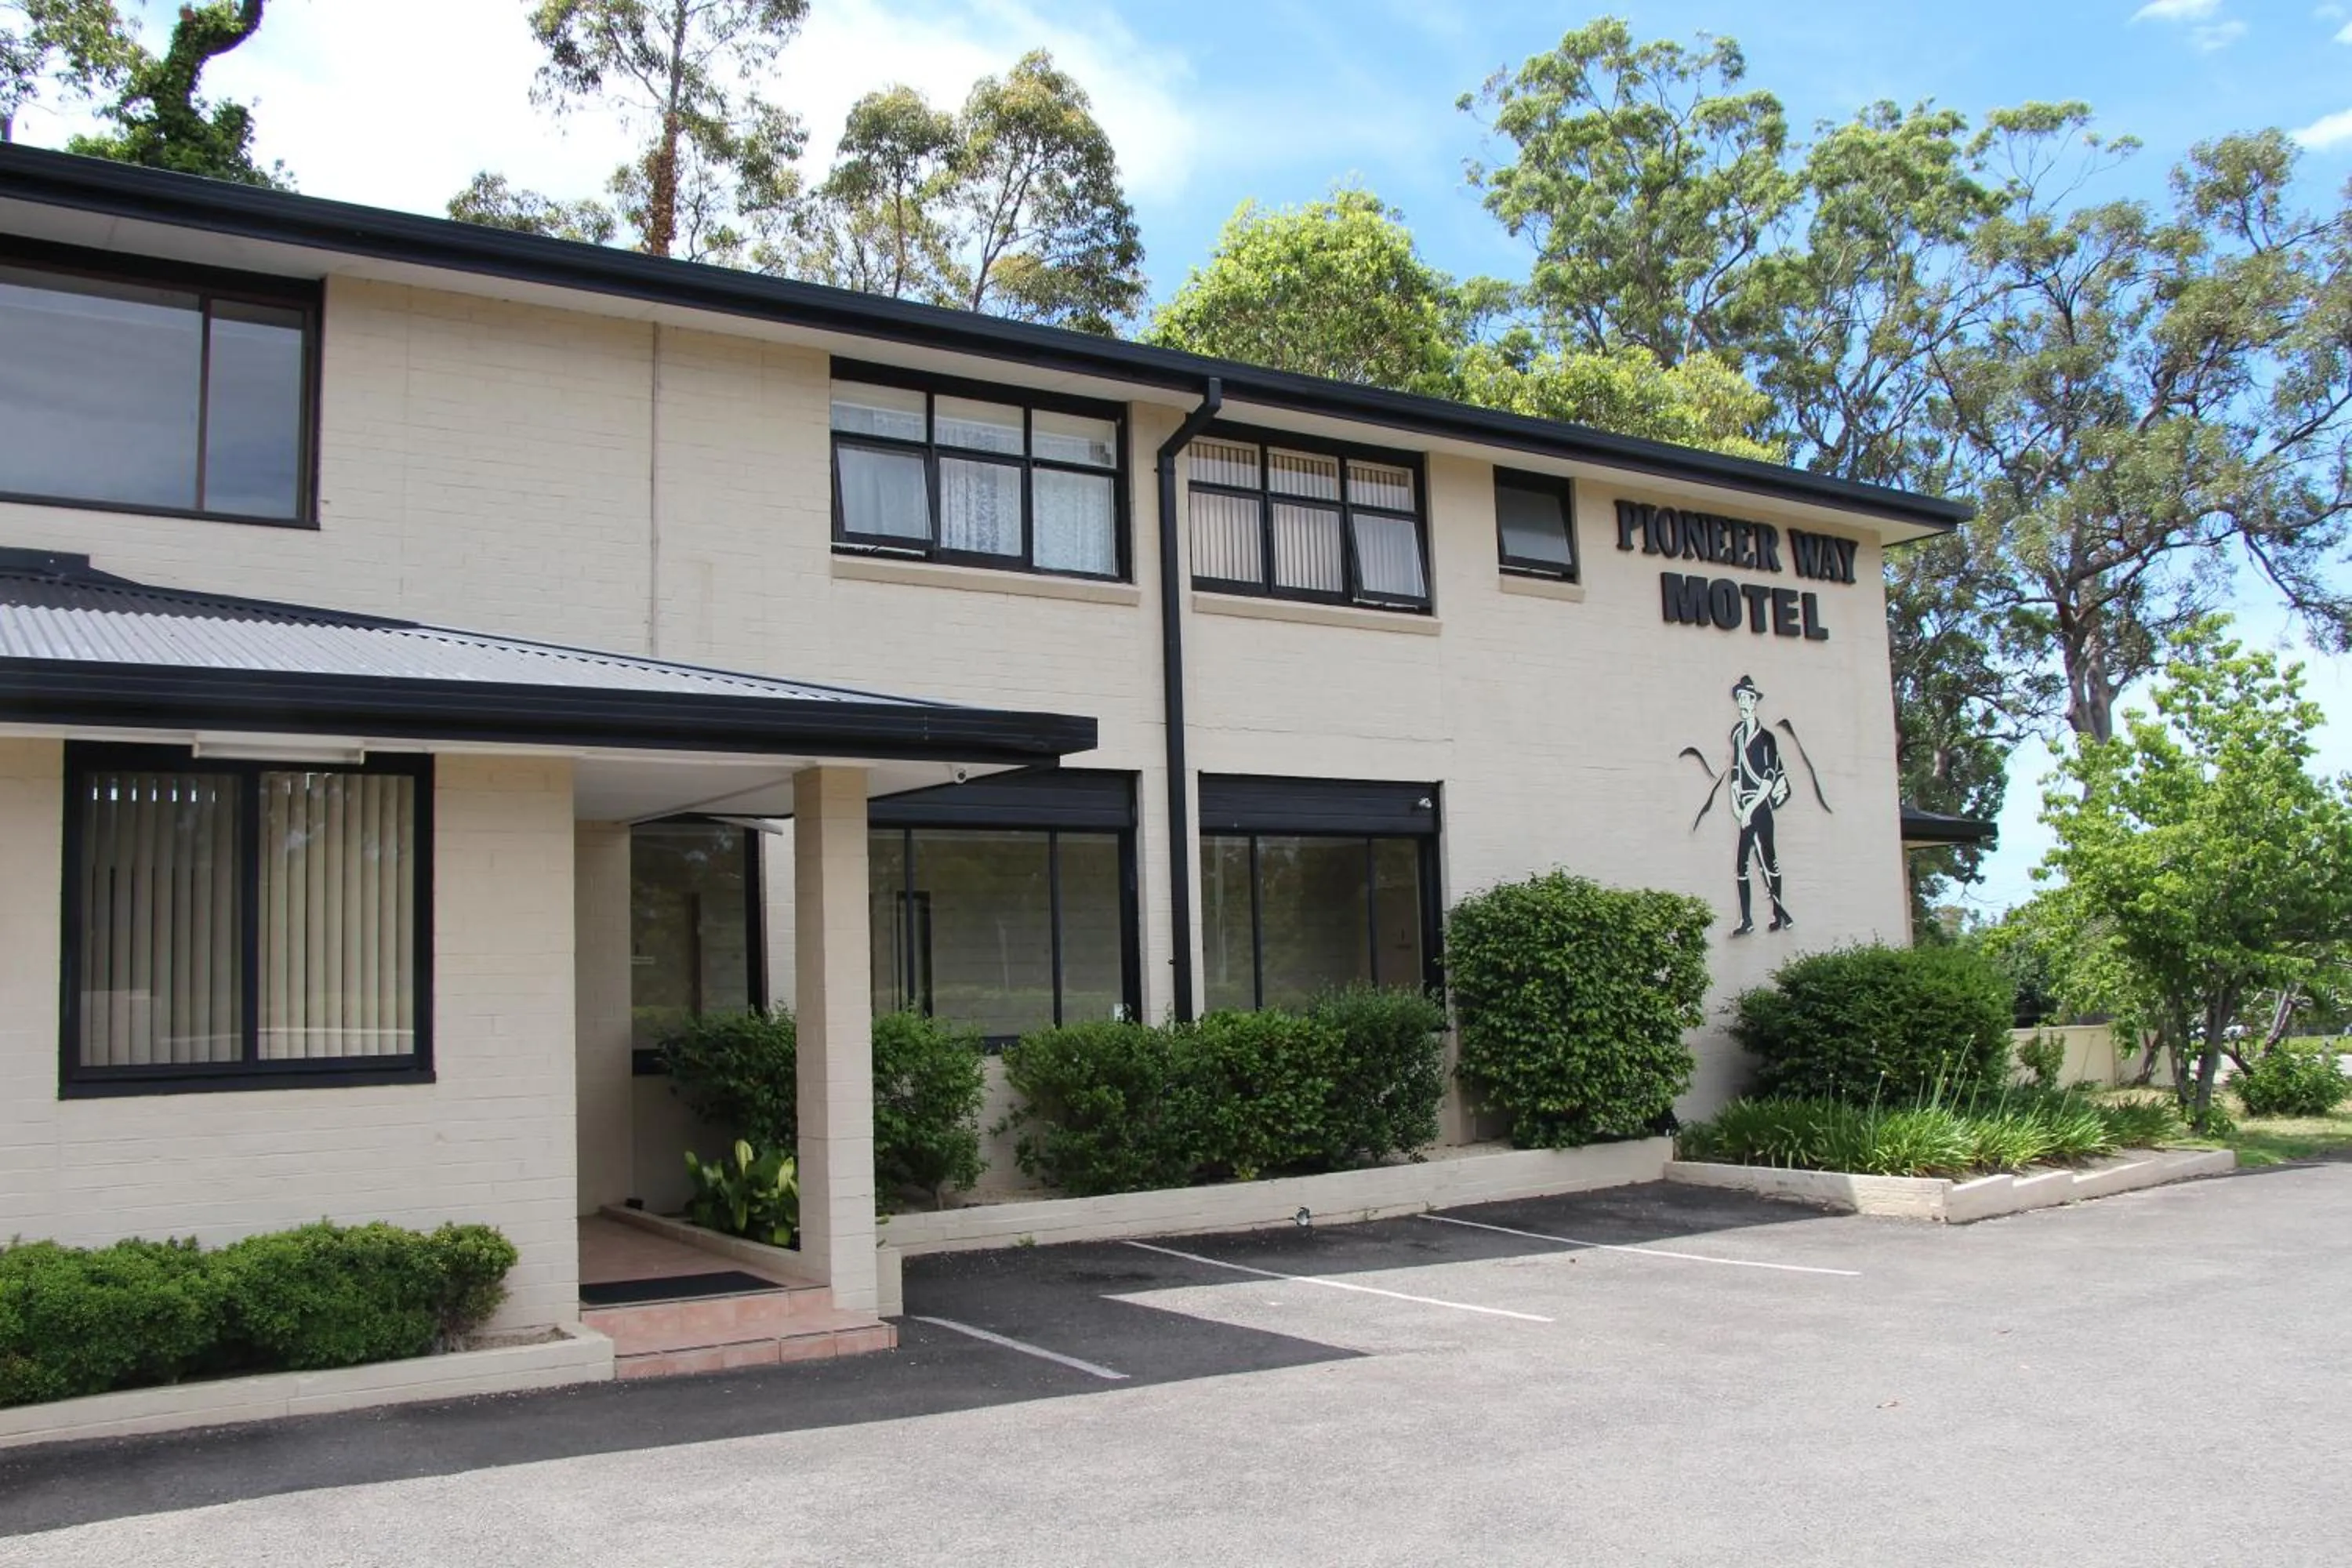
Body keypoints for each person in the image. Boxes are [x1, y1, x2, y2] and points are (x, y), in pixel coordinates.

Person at [1728, 674, 1793, 935]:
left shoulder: (1766, 738)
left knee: (1769, 860)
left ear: (1755, 702)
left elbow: (1768, 778)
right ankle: (1746, 919)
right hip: (1744, 806)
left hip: (1761, 808)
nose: (1742, 702)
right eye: (1740, 698)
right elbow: (1735, 770)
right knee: (1742, 863)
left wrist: (1751, 808)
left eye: (1747, 698)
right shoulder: (1737, 735)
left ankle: (1778, 915)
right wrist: (1736, 805)